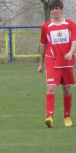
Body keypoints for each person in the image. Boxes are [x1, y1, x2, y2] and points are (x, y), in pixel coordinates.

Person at [38, 0, 75, 128]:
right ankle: (49, 117)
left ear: (62, 9)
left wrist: (70, 53)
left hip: (66, 63)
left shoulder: (70, 24)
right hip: (52, 62)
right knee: (51, 87)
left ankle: (67, 117)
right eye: (52, 9)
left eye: (57, 8)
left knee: (66, 89)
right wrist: (41, 64)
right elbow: (43, 46)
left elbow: (74, 41)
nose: (55, 11)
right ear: (50, 11)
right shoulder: (45, 27)